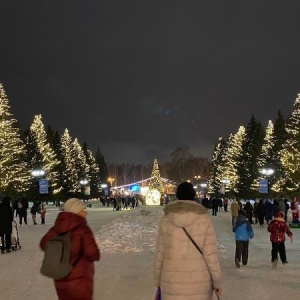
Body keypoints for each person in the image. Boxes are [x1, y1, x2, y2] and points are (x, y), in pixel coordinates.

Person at [154, 182, 222, 300]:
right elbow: (211, 255)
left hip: (172, 282)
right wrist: (217, 282)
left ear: (177, 195)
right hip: (199, 283)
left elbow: (160, 253)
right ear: (193, 195)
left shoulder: (166, 219)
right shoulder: (203, 219)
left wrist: (157, 280)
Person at [40, 198, 100, 300]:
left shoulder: (56, 228)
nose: (86, 212)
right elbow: (92, 253)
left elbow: (43, 244)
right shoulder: (83, 229)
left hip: (60, 275)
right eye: (83, 210)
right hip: (80, 277)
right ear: (76, 211)